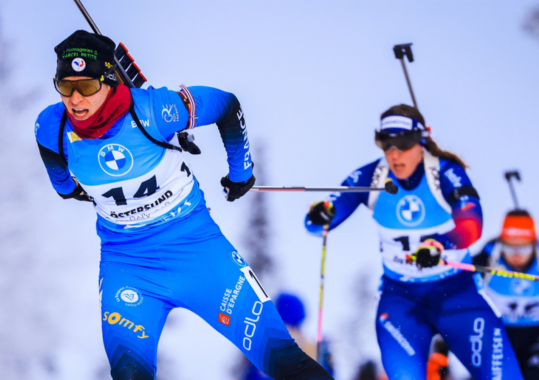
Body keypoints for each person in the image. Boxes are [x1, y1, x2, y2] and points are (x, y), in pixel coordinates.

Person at [35, 30, 333, 380]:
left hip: (197, 250)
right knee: (130, 373)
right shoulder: (50, 127)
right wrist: (81, 192)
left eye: (85, 86)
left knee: (285, 363)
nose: (74, 98)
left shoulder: (154, 110)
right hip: (129, 265)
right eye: (64, 85)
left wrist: (241, 173)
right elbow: (64, 184)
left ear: (109, 80)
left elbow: (226, 104)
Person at [304, 104, 523, 379]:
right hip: (402, 301)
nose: (395, 155)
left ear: (421, 141)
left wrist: (441, 244)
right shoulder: (372, 177)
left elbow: (472, 223)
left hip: (457, 295)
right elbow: (321, 219)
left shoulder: (444, 173)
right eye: (386, 145)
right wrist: (321, 214)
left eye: (403, 144)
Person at [474, 209, 539, 380]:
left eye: (524, 248)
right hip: (500, 333)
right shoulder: (487, 259)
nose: (516, 256)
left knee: (534, 373)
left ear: (534, 244)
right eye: (509, 248)